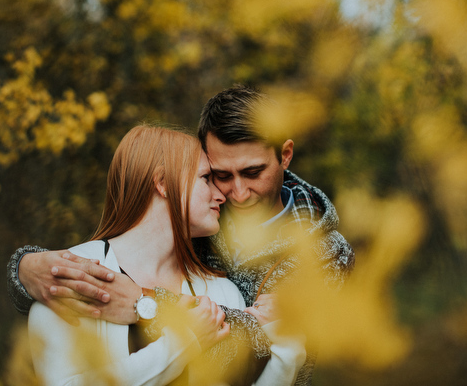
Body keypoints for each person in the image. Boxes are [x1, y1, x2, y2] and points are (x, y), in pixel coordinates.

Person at [8, 85, 355, 385]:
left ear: (286, 155)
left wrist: (142, 304)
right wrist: (25, 267)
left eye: (253, 172)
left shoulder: (327, 255)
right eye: (217, 175)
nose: (236, 193)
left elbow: (260, 352)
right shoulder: (202, 225)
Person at [28, 125, 306, 385]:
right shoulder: (74, 278)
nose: (221, 195)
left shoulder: (222, 291)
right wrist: (182, 343)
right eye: (206, 179)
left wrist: (287, 348)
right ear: (162, 182)